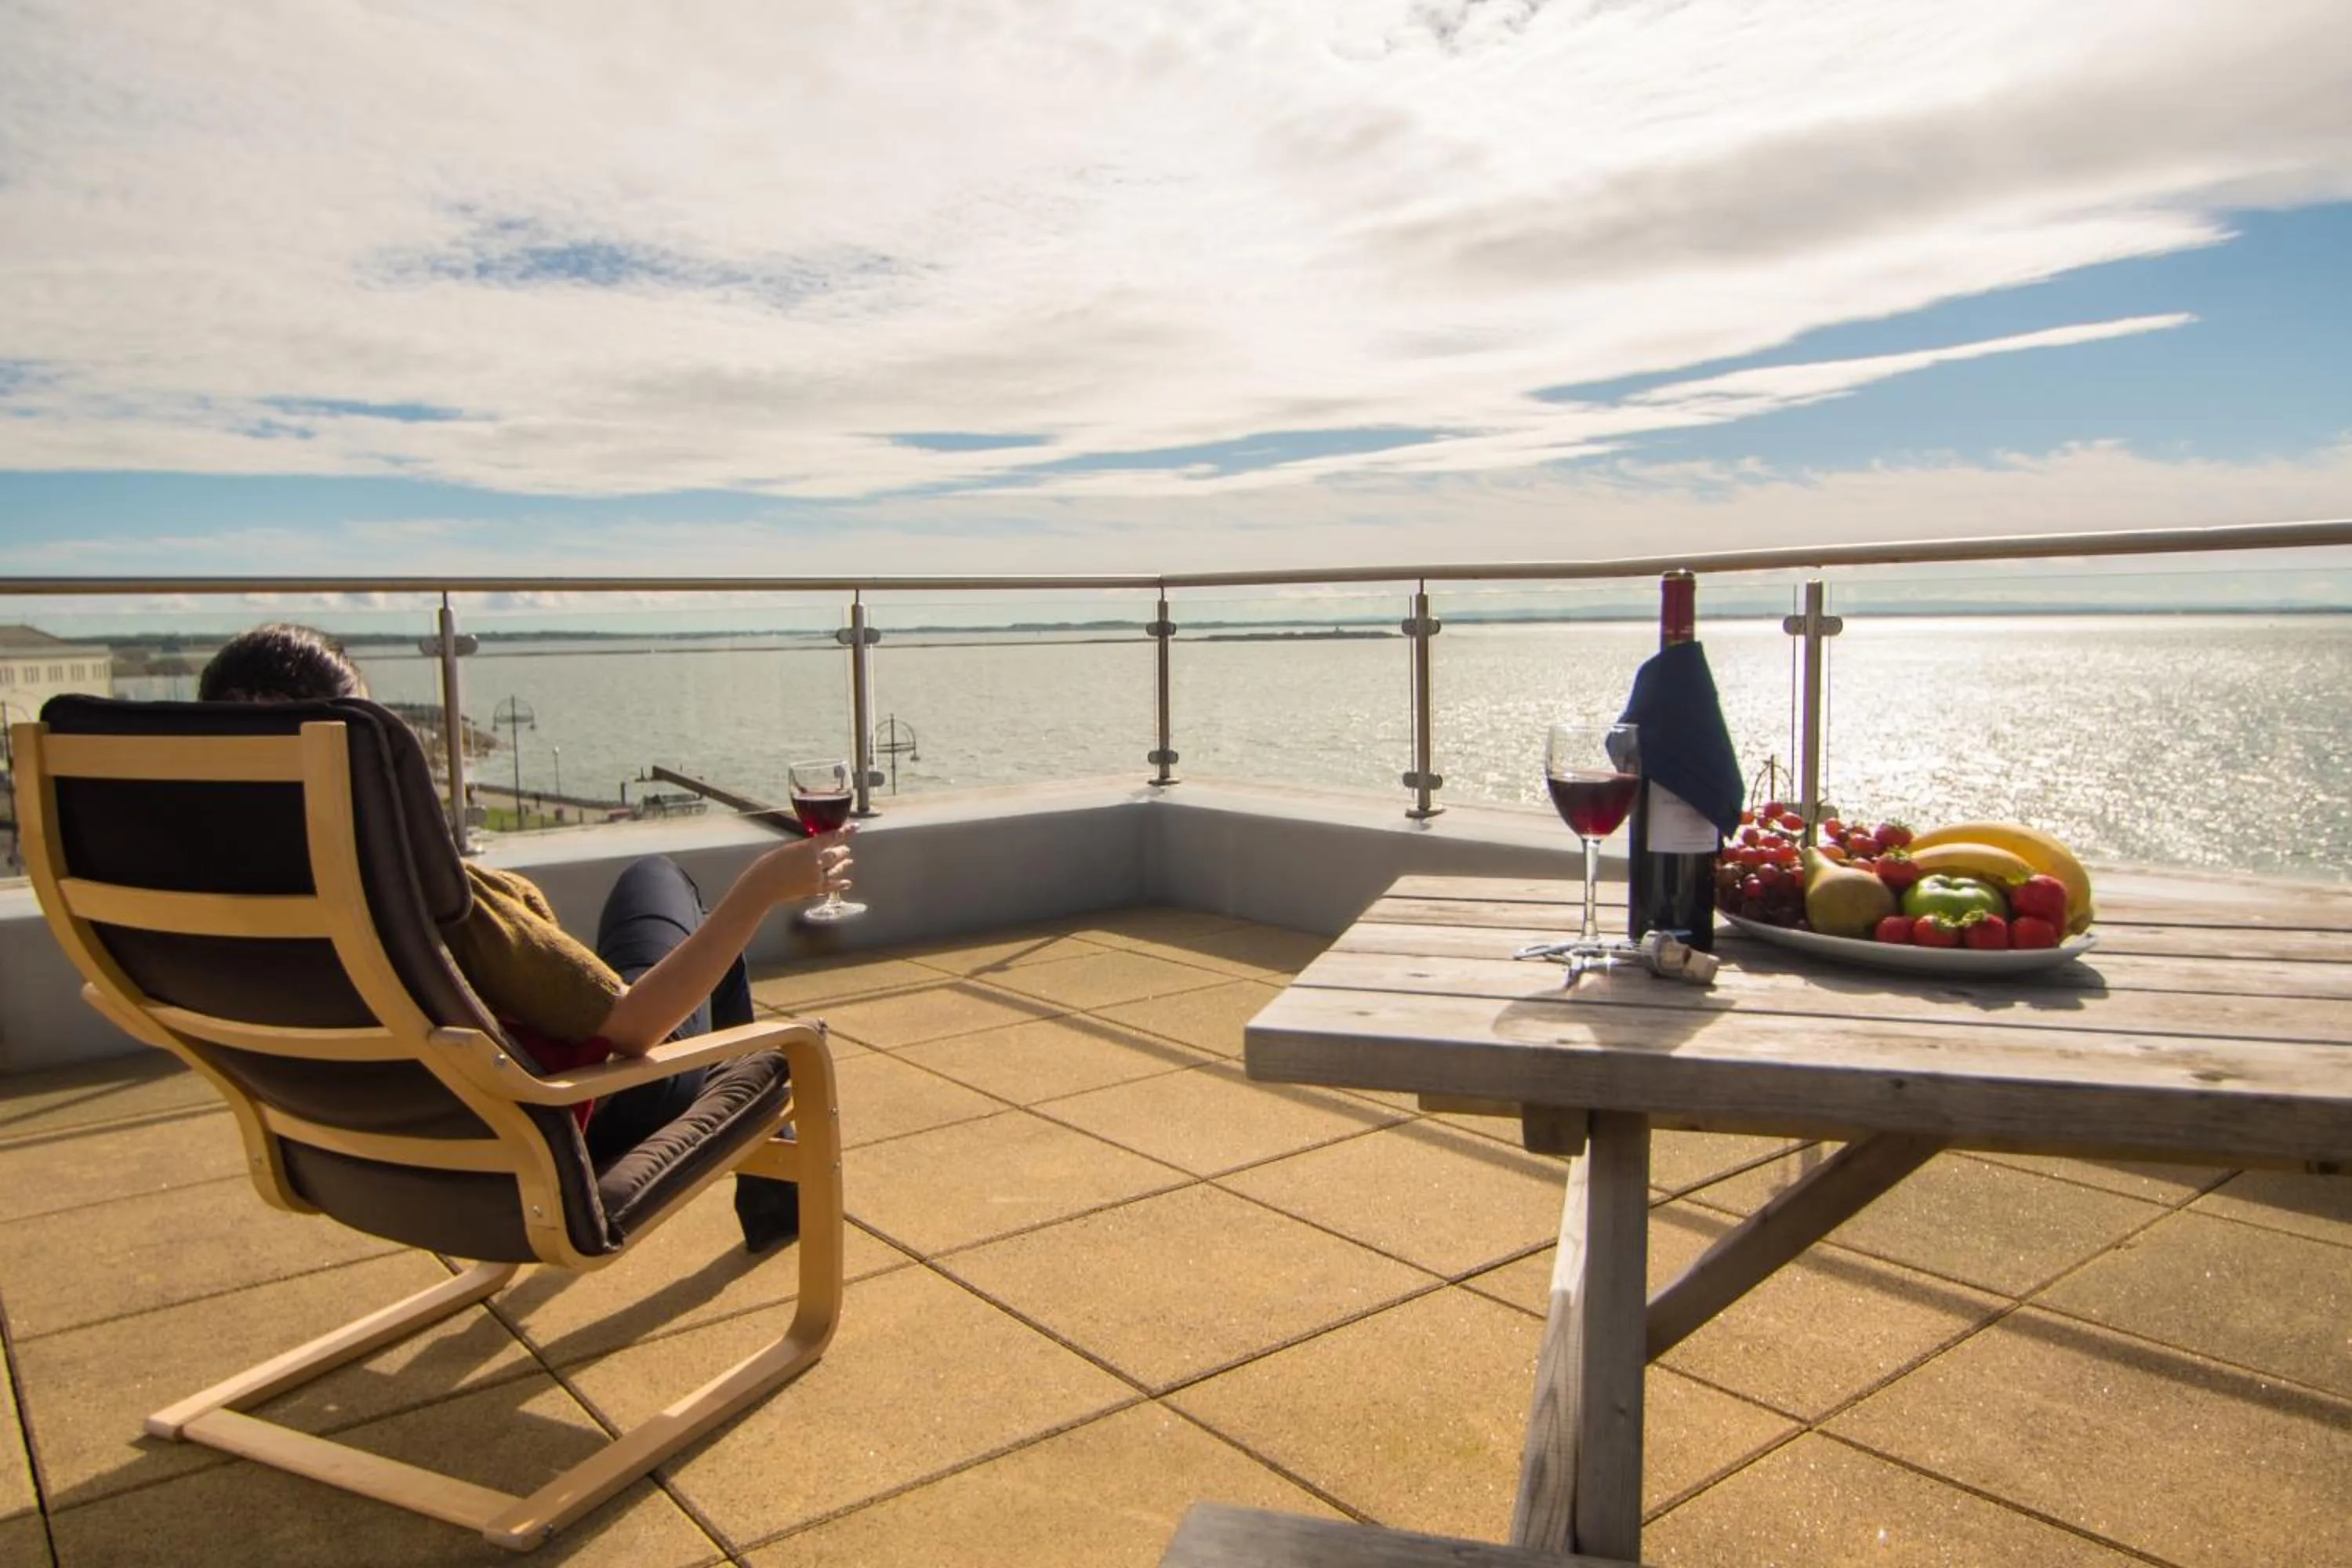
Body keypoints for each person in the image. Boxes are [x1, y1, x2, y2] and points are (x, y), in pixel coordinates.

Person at [198, 622, 851, 1252]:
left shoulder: (201, 898)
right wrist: (763, 888)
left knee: (666, 907)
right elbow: (634, 1029)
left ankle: (769, 1189)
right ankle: (769, 1185)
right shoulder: (421, 895)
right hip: (570, 1114)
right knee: (667, 886)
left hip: (367, 1146)